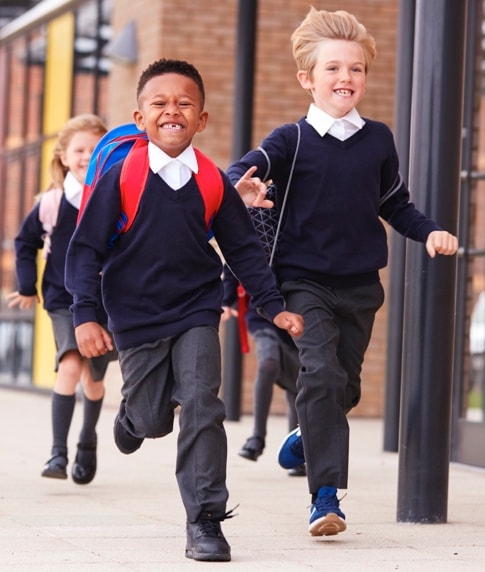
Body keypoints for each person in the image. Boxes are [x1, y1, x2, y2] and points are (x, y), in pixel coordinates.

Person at [227, 8, 459, 538]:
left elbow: (395, 204)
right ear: (308, 78)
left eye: (355, 69)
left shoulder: (378, 139)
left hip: (359, 285)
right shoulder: (291, 140)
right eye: (332, 69)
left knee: (345, 388)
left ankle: (307, 439)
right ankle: (325, 498)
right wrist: (242, 186)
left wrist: (428, 232)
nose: (345, 78)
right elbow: (241, 169)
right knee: (323, 378)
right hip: (302, 282)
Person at [65, 58, 304, 562]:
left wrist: (273, 306)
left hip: (198, 308)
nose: (172, 110)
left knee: (202, 402)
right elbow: (85, 249)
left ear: (202, 119)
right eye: (159, 103)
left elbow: (242, 250)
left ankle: (205, 521)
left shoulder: (213, 180)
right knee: (153, 419)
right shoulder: (121, 175)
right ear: (139, 117)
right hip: (134, 316)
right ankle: (133, 417)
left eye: (184, 103)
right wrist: (86, 314)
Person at [7, 114, 114, 485]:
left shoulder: (115, 195)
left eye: (95, 149)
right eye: (79, 150)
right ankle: (57, 452)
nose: (87, 156)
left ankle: (87, 440)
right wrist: (26, 285)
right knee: (70, 363)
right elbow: (24, 243)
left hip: (105, 301)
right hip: (62, 297)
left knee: (93, 378)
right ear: (64, 157)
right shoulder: (52, 203)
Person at [222, 273, 304, 477]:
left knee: (297, 382)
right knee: (268, 363)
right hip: (262, 312)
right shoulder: (257, 239)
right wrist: (224, 300)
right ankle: (257, 438)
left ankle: (295, 451)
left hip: (299, 311)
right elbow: (236, 259)